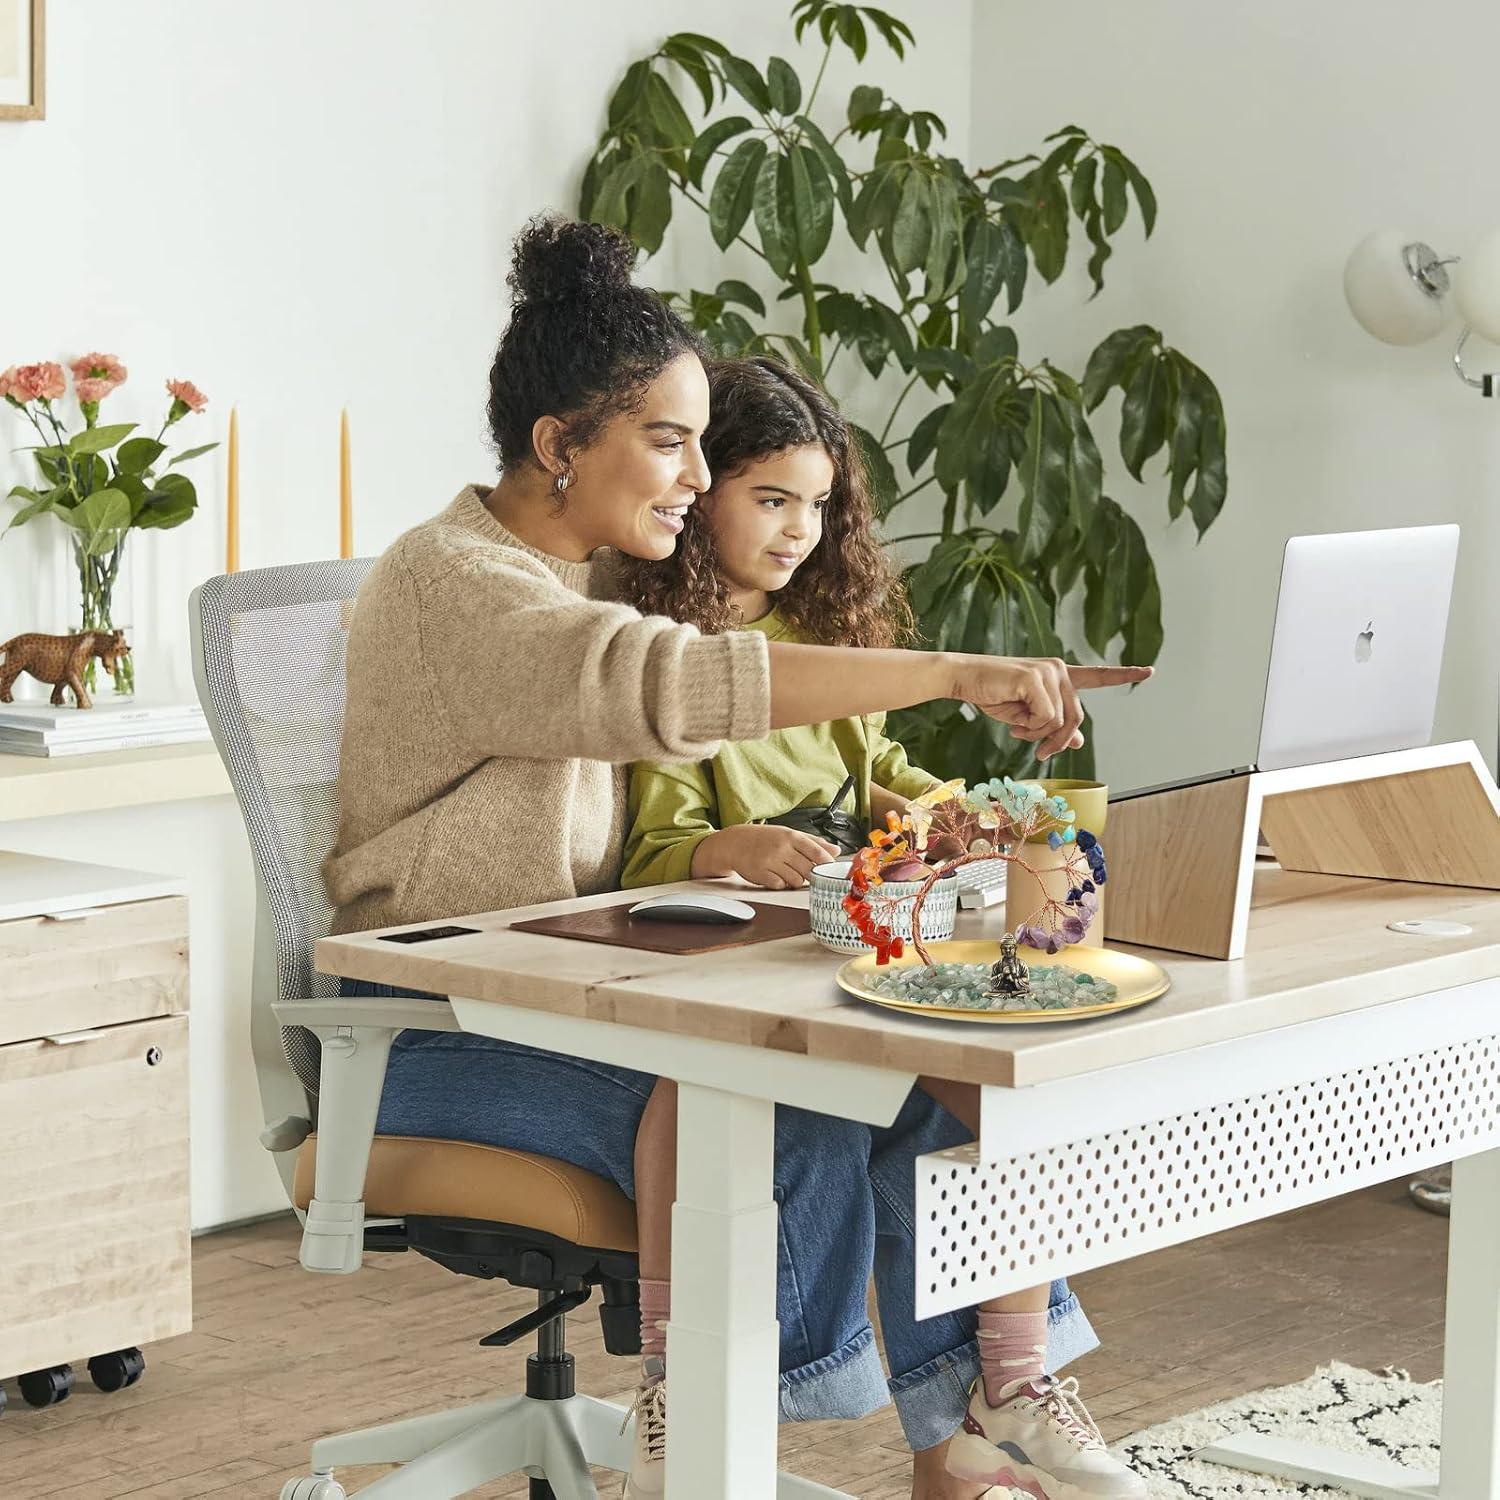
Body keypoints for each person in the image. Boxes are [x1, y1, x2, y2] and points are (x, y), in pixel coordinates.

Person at [322, 214, 1151, 1500]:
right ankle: (696, 1431)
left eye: (704, 446)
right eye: (669, 441)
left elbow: (712, 643)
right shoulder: (462, 583)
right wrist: (960, 670)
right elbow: (672, 682)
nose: (695, 477)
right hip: (431, 1023)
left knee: (926, 1074)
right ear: (558, 445)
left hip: (557, 988)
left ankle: (983, 1417)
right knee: (772, 1090)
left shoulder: (585, 564)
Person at [616, 356, 1146, 1499]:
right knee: (886, 1099)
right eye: (770, 499)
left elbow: (885, 771)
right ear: (701, 488)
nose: (800, 531)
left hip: (842, 954)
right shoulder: (659, 654)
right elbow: (642, 853)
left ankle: (1006, 1388)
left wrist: (950, 812)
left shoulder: (823, 632)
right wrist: (723, 847)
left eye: (817, 504)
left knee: (997, 1088)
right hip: (728, 978)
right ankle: (686, 1389)